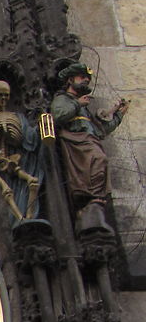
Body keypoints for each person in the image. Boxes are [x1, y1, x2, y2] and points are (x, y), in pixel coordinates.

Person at [50, 62, 130, 211]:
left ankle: (95, 197)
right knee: (99, 159)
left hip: (89, 141)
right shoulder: (63, 99)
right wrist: (77, 104)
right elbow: (58, 116)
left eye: (87, 78)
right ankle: (90, 196)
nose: (86, 80)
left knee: (101, 161)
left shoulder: (84, 107)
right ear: (70, 80)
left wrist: (119, 115)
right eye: (82, 77)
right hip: (76, 143)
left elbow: (100, 131)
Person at [0, 79, 43, 220]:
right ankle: (19, 217)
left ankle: (28, 216)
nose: (3, 99)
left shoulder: (18, 118)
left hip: (15, 158)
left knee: (31, 181)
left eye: (6, 95)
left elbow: (29, 137)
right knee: (6, 189)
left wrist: (40, 126)